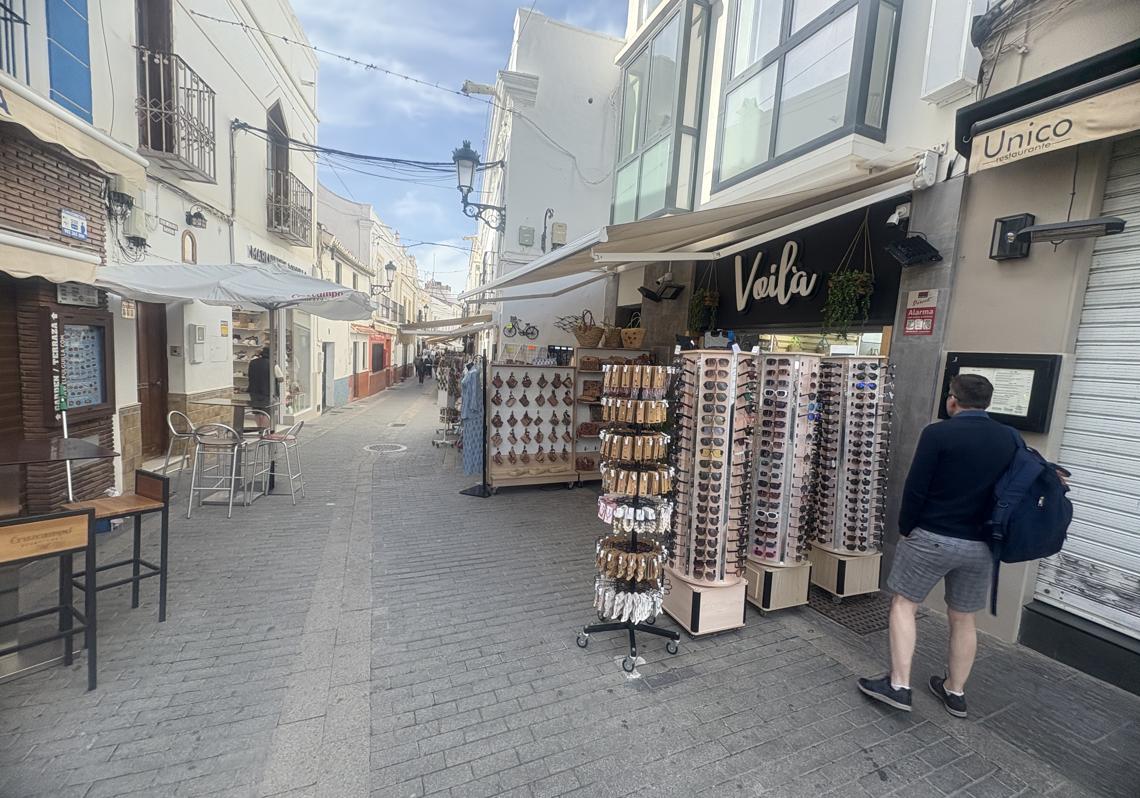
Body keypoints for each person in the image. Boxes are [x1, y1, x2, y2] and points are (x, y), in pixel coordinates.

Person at [858, 374, 1017, 718]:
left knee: (904, 604)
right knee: (963, 619)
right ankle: (955, 692)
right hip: (981, 544)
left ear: (953, 400)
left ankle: (899, 685)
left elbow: (917, 487)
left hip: (932, 536)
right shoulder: (1009, 438)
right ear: (988, 403)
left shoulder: (938, 433)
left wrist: (905, 529)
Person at [248, 347, 272, 411]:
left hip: (254, 391)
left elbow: (249, 376)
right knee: (266, 412)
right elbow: (280, 378)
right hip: (267, 392)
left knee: (256, 411)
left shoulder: (252, 362)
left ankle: (258, 421)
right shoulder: (272, 364)